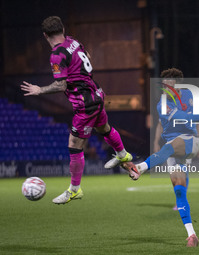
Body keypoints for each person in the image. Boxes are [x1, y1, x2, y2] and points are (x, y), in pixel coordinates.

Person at [20, 16, 132, 204]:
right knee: (104, 128)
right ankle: (123, 155)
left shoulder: (57, 54)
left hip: (84, 103)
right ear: (62, 29)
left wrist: (40, 90)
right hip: (96, 92)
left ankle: (74, 189)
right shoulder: (73, 41)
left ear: (45, 35)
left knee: (74, 144)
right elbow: (87, 56)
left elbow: (61, 85)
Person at [122, 68, 199, 247]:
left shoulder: (190, 95)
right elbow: (186, 117)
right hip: (174, 149)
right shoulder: (162, 104)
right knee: (179, 189)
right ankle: (192, 234)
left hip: (189, 141)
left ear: (178, 84)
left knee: (169, 147)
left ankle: (139, 168)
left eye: (169, 83)